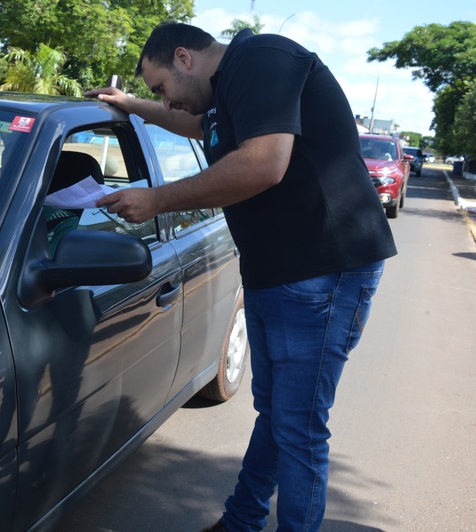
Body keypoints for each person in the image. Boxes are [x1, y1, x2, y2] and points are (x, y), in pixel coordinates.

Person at [86, 21, 397, 532]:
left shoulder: (261, 60)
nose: (166, 101)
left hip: (323, 270)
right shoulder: (226, 91)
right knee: (277, 416)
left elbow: (263, 165)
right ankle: (241, 522)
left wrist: (157, 199)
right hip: (279, 270)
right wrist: (132, 105)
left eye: (160, 88)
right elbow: (200, 126)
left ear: (184, 58)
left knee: (298, 428)